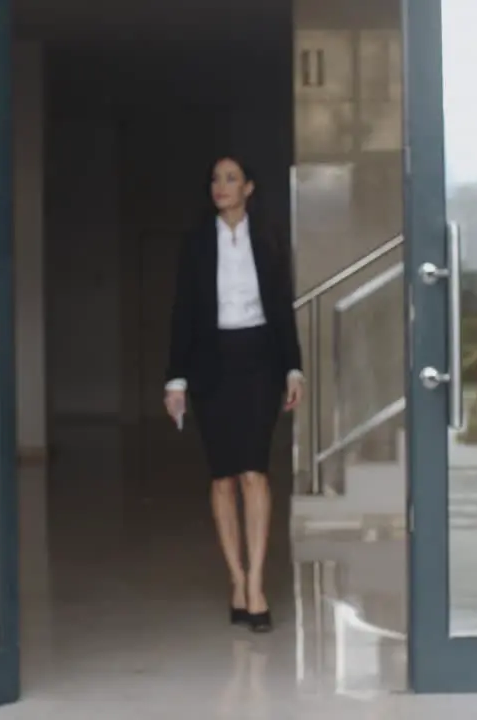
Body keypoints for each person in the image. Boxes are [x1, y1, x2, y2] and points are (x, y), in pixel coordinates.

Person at [163, 156, 304, 634]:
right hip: (211, 363)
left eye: (229, 179)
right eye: (214, 179)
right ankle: (237, 580)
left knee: (254, 473)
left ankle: (259, 583)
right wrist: (175, 380)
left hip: (259, 361)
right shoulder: (196, 244)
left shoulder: (266, 243)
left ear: (248, 187)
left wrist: (293, 367)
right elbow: (182, 313)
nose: (219, 186)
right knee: (223, 476)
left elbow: (282, 309)